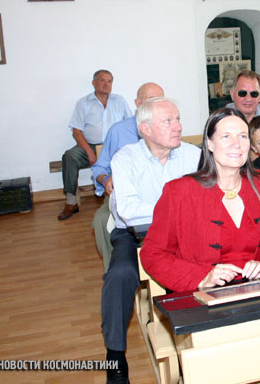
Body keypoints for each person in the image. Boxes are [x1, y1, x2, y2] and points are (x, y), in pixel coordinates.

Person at [101, 97, 201, 384]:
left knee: (205, 266)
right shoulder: (125, 158)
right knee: (120, 275)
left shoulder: (193, 155)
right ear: (145, 129)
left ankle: (198, 346)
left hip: (183, 233)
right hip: (134, 236)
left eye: (178, 119)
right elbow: (129, 211)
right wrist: (176, 207)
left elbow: (207, 199)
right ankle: (115, 356)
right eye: (168, 121)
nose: (178, 126)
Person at [140, 107, 260, 293]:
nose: (236, 144)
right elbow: (153, 254)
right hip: (204, 296)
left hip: (259, 289)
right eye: (226, 136)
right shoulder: (179, 192)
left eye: (243, 136)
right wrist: (202, 278)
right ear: (209, 144)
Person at [91, 82, 164, 271]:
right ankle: (115, 270)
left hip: (159, 194)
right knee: (101, 221)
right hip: (124, 195)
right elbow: (99, 168)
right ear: (137, 104)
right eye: (151, 100)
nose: (156, 105)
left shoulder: (168, 129)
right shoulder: (118, 131)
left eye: (160, 100)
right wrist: (106, 180)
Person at [58, 70, 131, 221]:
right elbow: (77, 132)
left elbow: (130, 124)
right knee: (69, 156)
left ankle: (126, 198)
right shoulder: (83, 103)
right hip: (90, 146)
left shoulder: (120, 101)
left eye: (109, 81)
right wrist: (90, 153)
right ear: (94, 83)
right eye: (102, 80)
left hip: (113, 146)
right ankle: (71, 202)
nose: (106, 84)